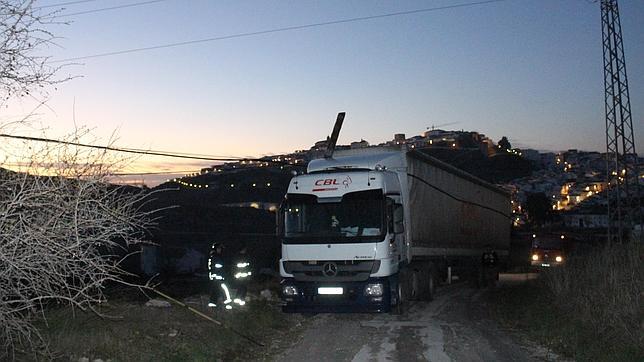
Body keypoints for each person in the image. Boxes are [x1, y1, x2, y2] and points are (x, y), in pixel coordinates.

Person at [207, 242, 233, 310]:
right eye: (219, 248)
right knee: (224, 289)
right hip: (218, 277)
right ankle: (227, 303)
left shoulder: (213, 256)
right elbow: (217, 268)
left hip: (216, 278)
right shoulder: (215, 257)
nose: (220, 250)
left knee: (215, 290)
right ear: (216, 249)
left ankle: (212, 303)